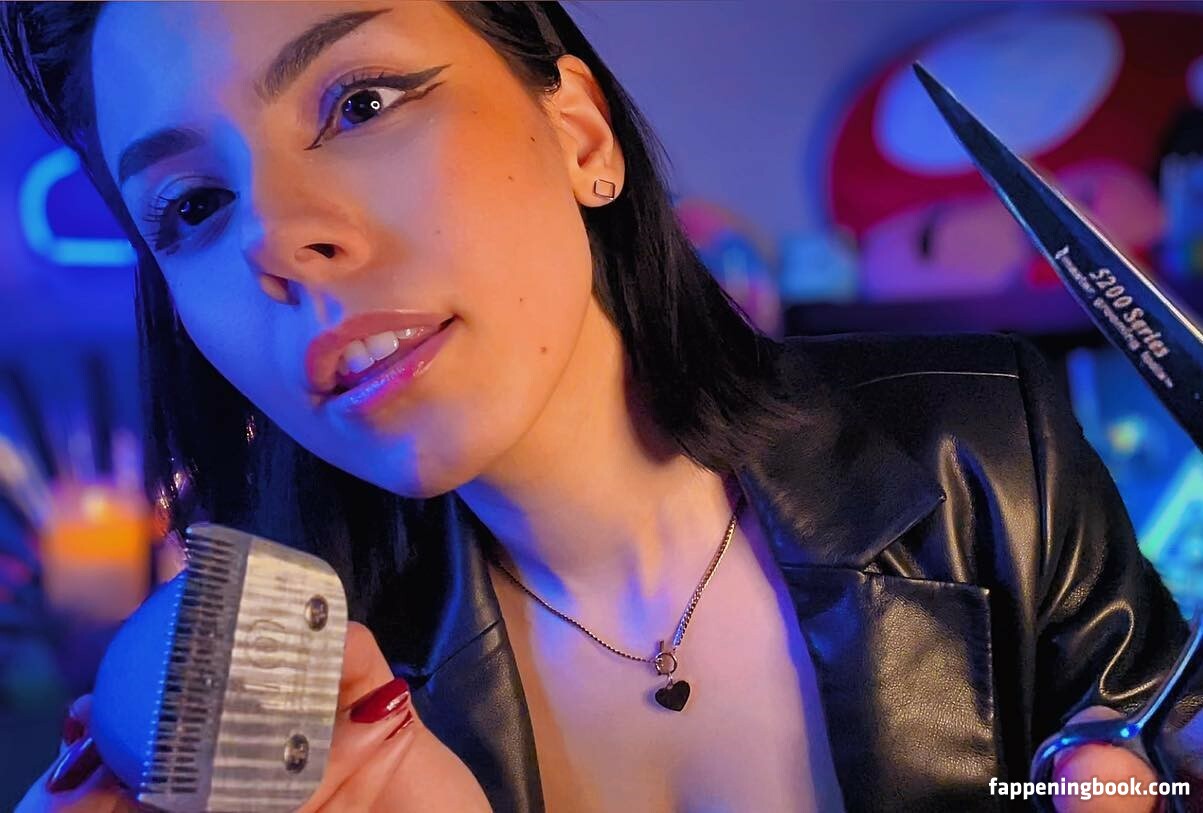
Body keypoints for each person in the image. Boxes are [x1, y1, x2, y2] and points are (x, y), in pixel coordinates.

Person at [0, 2, 1196, 811]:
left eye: (360, 103)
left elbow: (1151, 739)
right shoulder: (314, 693)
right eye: (194, 207)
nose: (279, 239)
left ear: (579, 134)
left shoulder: (980, 447)